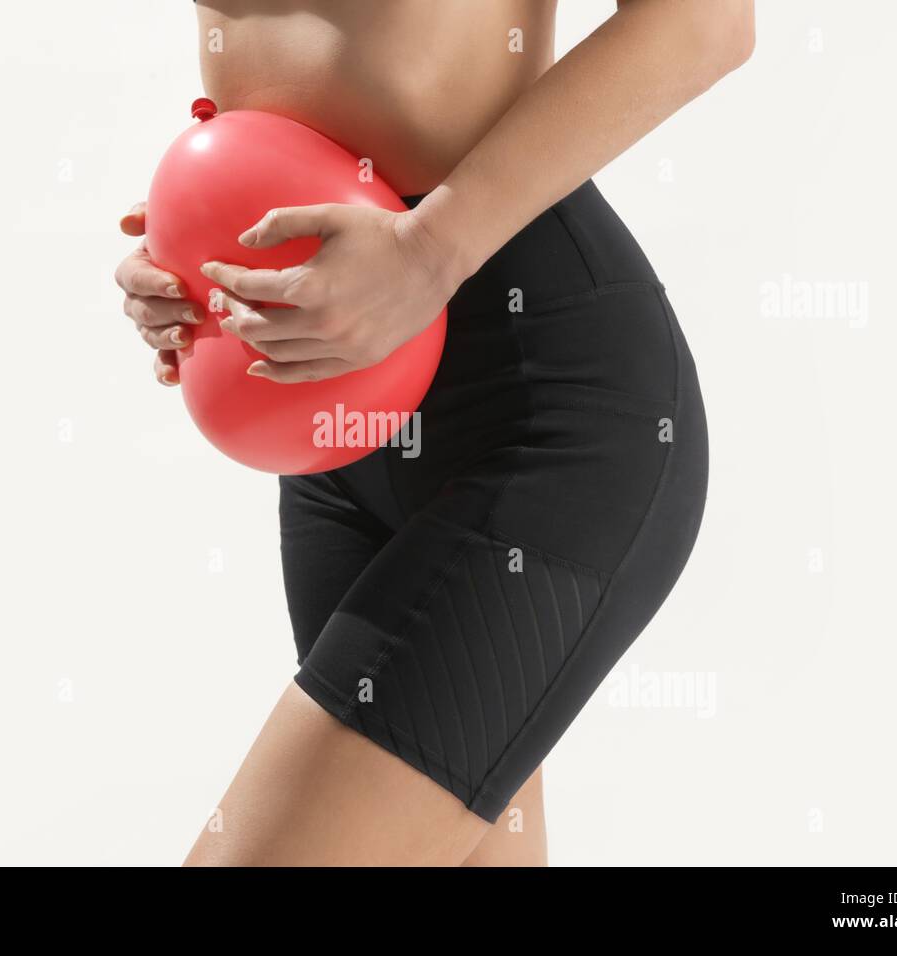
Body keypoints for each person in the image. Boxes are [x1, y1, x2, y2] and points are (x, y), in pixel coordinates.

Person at [115, 0, 752, 866]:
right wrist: (196, 252)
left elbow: (707, 22)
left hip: (540, 412)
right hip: (331, 431)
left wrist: (427, 250)